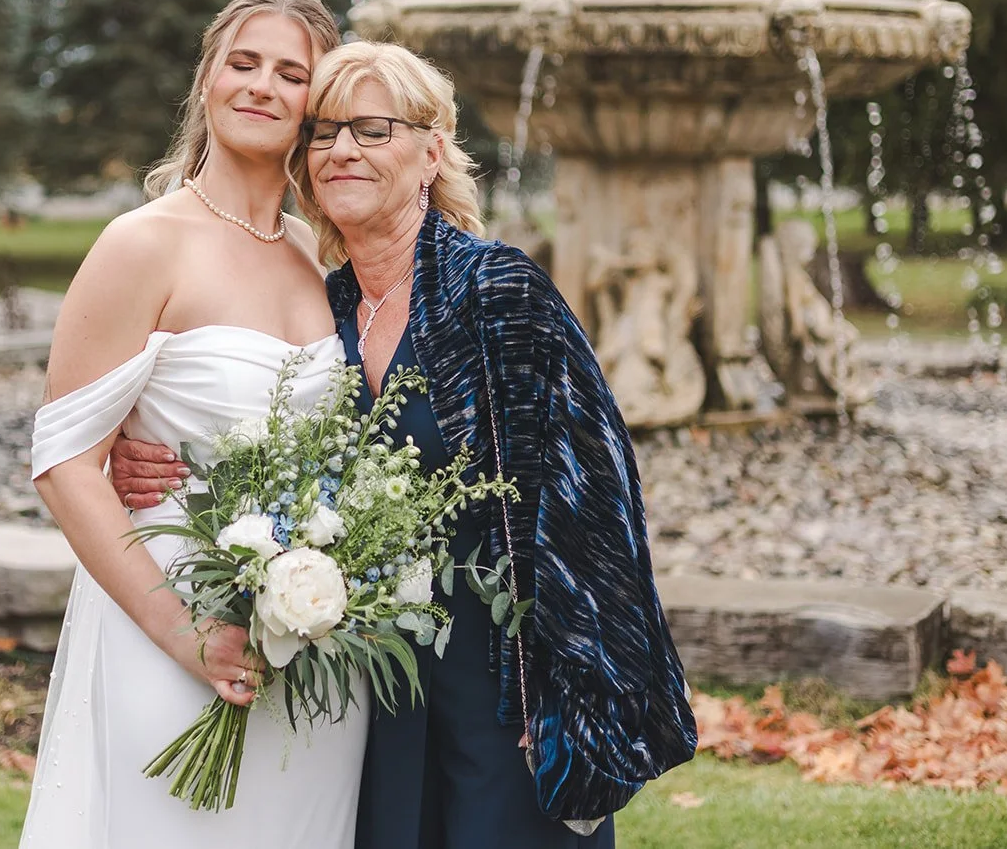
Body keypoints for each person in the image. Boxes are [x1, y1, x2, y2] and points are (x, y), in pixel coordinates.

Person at [113, 41, 698, 847]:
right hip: (375, 697)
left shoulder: (496, 290)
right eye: (323, 132)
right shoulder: (323, 309)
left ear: (430, 153)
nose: (342, 150)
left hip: (506, 697)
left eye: (372, 129)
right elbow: (254, 434)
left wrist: (575, 695)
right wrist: (146, 448)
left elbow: (596, 500)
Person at [21, 0, 368, 849]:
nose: (261, 86)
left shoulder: (320, 256)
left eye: (290, 73)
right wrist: (187, 637)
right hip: (169, 620)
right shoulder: (143, 243)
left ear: (314, 105)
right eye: (243, 62)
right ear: (207, 78)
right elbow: (65, 465)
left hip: (312, 641)